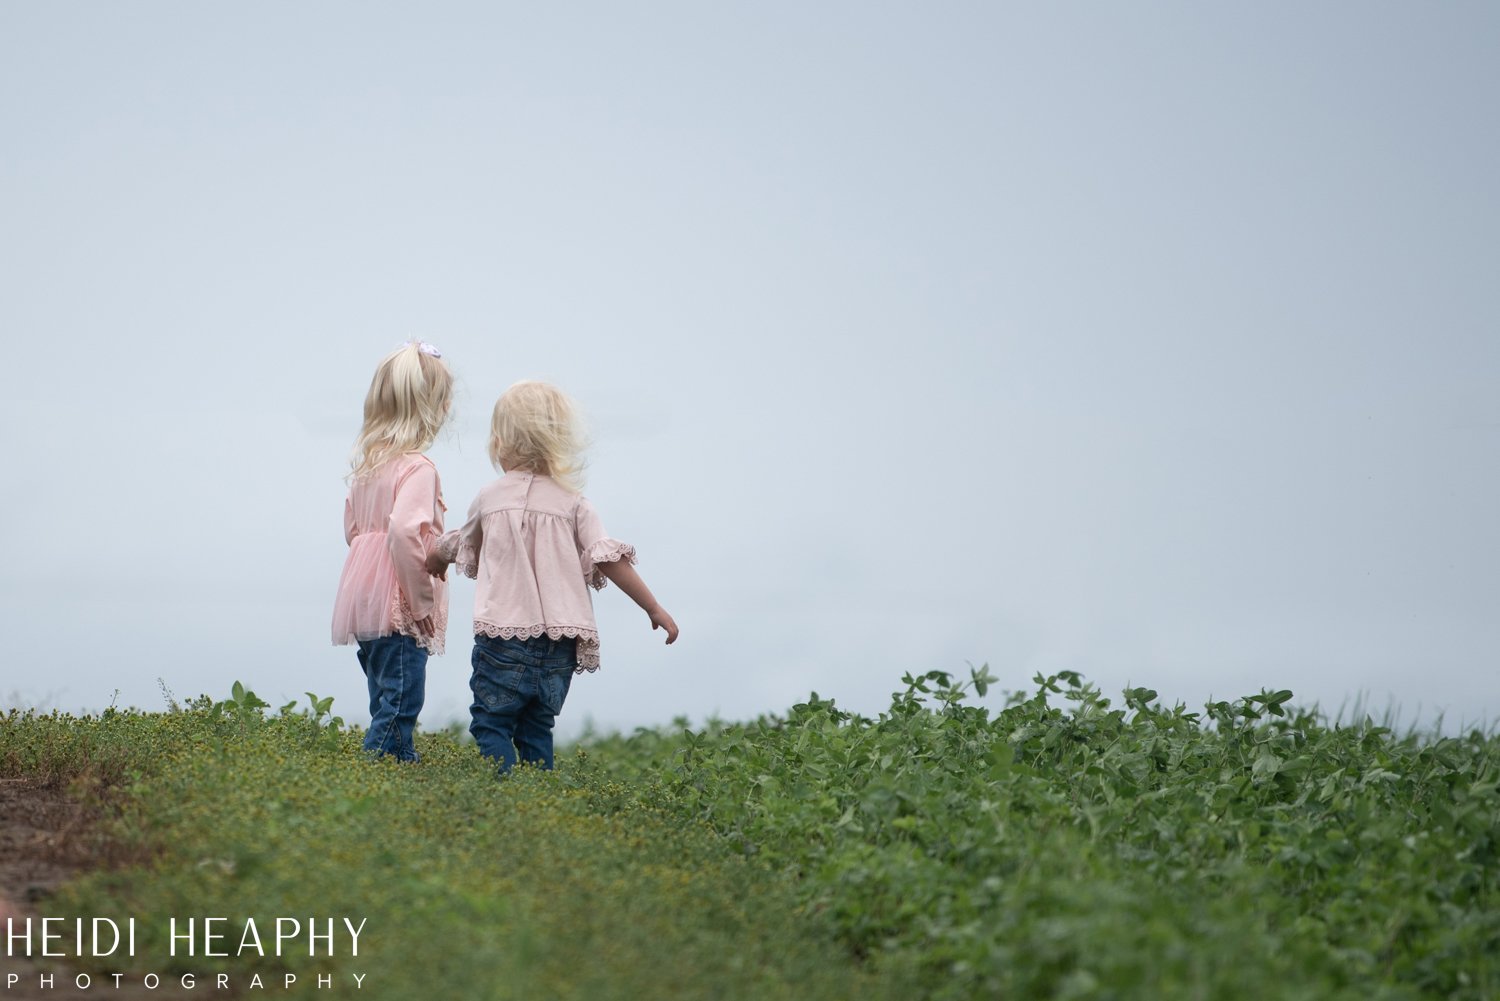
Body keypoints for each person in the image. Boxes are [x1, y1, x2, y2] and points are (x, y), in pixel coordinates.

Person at [428, 379, 678, 773]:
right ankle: (538, 802)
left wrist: (435, 559)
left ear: (500, 441)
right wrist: (654, 607)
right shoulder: (574, 502)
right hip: (561, 643)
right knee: (536, 728)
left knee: (491, 721)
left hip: (504, 637)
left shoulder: (490, 498)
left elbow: (461, 541)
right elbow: (610, 559)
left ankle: (501, 795)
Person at [331, 340, 454, 762]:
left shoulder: (367, 468)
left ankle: (401, 774)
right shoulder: (418, 468)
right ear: (432, 408)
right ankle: (370, 775)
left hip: (364, 603)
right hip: (399, 605)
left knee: (384, 698)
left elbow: (353, 530)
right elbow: (403, 532)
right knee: (401, 702)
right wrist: (421, 601)